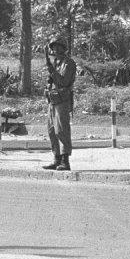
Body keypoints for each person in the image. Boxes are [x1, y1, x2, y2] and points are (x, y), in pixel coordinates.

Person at [42, 39, 77, 171]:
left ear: (63, 48)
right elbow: (53, 81)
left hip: (62, 100)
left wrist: (51, 69)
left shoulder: (69, 63)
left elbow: (63, 81)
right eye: (53, 47)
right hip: (52, 100)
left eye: (58, 47)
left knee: (61, 130)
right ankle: (56, 158)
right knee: (51, 130)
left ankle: (65, 161)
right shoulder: (55, 62)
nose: (55, 50)